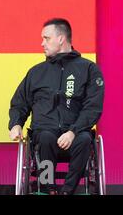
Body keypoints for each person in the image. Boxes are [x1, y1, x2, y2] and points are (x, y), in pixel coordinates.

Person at [8, 18, 104, 195]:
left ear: (61, 39)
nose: (42, 43)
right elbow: (19, 103)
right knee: (45, 137)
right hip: (44, 134)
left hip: (76, 133)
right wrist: (15, 124)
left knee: (84, 140)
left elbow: (93, 107)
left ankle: (67, 191)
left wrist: (72, 131)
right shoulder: (36, 72)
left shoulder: (89, 69)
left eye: (46, 38)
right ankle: (47, 189)